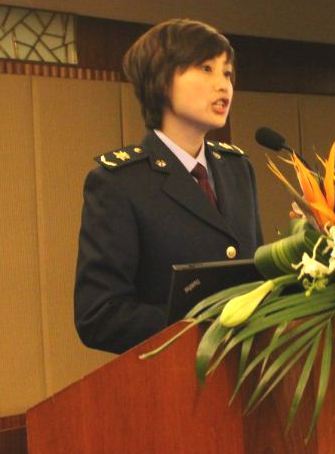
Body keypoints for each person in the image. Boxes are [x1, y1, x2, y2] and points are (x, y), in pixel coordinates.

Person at [74, 19, 263, 354]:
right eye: (206, 69)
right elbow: (99, 315)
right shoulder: (119, 182)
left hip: (246, 368)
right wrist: (201, 323)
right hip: (173, 374)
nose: (223, 85)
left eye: (227, 73)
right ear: (160, 80)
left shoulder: (237, 168)